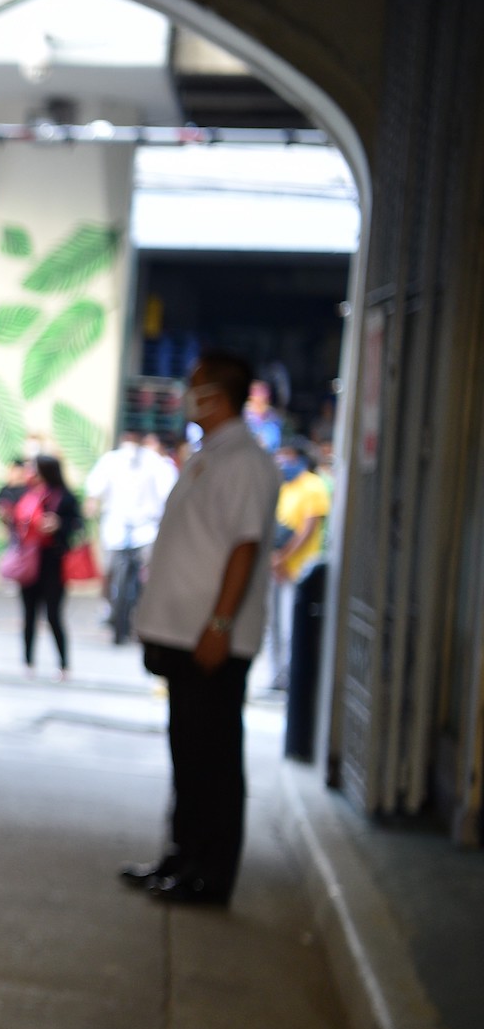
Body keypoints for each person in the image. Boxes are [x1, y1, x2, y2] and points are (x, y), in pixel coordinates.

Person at [121, 350, 281, 906]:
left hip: (212, 637)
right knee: (187, 752)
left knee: (212, 757)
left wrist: (219, 623)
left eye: (195, 387)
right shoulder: (208, 454)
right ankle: (181, 856)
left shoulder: (245, 462)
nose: (186, 396)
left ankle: (209, 874)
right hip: (183, 632)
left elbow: (244, 547)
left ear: (217, 395)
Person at [82, 430, 178, 644]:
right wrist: (91, 502)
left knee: (150, 574)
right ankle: (108, 609)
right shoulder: (111, 461)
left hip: (146, 530)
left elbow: (168, 494)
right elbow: (95, 487)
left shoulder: (156, 463)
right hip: (116, 528)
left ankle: (146, 613)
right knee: (110, 570)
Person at [262, 438, 331, 691]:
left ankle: (292, 678)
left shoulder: (313, 486)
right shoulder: (282, 485)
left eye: (288, 456)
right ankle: (276, 677)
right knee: (274, 626)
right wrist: (273, 558)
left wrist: (284, 557)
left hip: (299, 567)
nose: (283, 461)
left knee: (291, 626)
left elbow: (309, 528)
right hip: (275, 566)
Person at [6, 455, 82, 680]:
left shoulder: (64, 498)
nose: (30, 473)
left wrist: (59, 525)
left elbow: (76, 526)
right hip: (28, 561)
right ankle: (28, 663)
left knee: (53, 615)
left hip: (52, 563)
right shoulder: (23, 493)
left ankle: (63, 665)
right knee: (28, 615)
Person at [243, 379, 284, 452]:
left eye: (265, 392)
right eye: (258, 393)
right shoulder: (242, 416)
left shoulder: (274, 416)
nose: (262, 396)